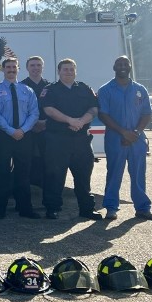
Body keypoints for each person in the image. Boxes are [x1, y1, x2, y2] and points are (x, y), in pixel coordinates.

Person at [98, 56, 152, 221]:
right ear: (114, 67)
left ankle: (142, 208)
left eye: (125, 64)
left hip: (137, 139)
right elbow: (103, 114)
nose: (122, 66)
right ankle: (111, 208)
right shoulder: (106, 90)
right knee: (114, 173)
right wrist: (123, 132)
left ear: (130, 66)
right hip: (115, 139)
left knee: (139, 173)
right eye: (119, 64)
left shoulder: (140, 89)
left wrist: (136, 133)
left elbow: (147, 114)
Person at [40, 58, 102, 220]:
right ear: (58, 72)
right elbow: (49, 110)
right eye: (65, 69)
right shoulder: (50, 89)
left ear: (75, 71)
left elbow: (94, 108)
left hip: (81, 140)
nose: (68, 72)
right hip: (58, 140)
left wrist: (81, 121)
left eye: (71, 69)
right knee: (55, 176)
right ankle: (52, 208)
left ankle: (86, 209)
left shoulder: (84, 88)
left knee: (83, 176)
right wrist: (70, 120)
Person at [0, 58, 41, 219]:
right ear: (2, 70)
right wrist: (11, 131)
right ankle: (0, 208)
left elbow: (34, 113)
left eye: (13, 67)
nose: (11, 69)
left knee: (23, 173)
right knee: (0, 172)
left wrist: (22, 130)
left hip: (24, 136)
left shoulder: (27, 90)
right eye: (8, 67)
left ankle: (25, 208)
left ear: (18, 69)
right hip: (3, 136)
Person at [20, 56, 49, 186]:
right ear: (27, 68)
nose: (35, 68)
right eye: (32, 65)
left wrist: (45, 123)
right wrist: (33, 124)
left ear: (43, 67)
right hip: (28, 130)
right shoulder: (21, 86)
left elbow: (56, 107)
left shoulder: (50, 86)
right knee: (27, 163)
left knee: (47, 163)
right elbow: (19, 109)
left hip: (46, 129)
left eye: (38, 65)